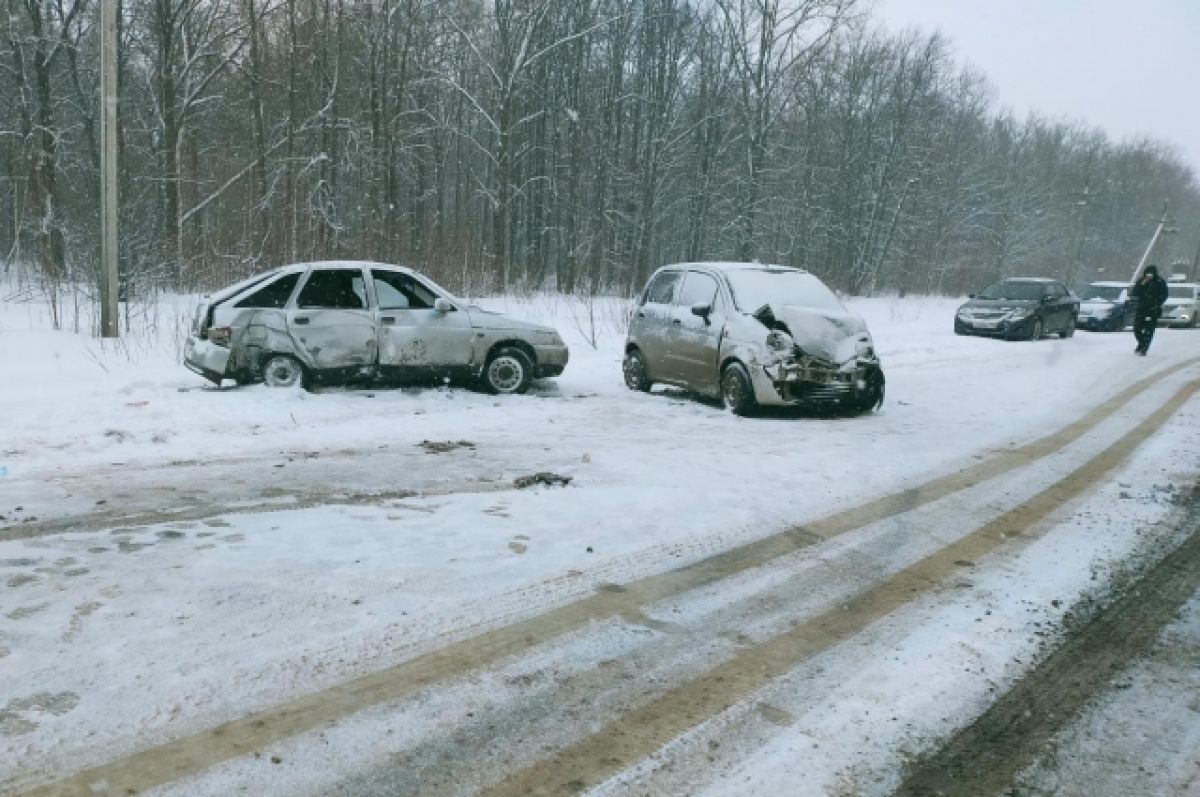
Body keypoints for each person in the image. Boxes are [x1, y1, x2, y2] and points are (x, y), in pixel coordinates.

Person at [1130, 264, 1167, 355]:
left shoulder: (1160, 282)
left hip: (1153, 310)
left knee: (1149, 330)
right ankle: (1142, 343)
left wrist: (1157, 303)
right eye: (1147, 274)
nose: (1149, 276)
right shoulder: (1141, 281)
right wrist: (1142, 284)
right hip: (1141, 309)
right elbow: (1134, 293)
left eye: (1151, 274)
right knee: (1136, 328)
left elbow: (1164, 295)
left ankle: (1144, 348)